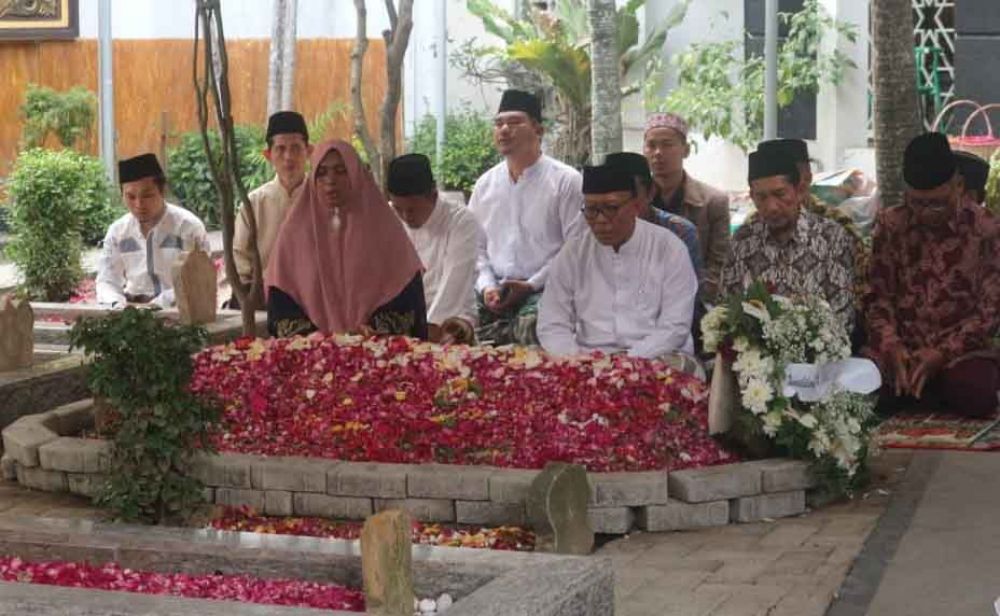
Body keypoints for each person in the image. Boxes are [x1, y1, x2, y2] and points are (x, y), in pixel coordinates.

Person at [864, 133, 999, 418]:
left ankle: (920, 392)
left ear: (958, 186)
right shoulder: (891, 226)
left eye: (937, 203)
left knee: (976, 391)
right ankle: (916, 388)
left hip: (959, 354)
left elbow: (989, 313)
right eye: (917, 203)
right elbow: (878, 299)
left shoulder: (986, 229)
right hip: (901, 351)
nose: (927, 213)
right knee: (861, 384)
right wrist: (892, 346)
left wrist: (942, 353)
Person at [537, 163, 699, 370]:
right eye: (591, 210)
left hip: (658, 355)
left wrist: (626, 362)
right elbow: (552, 322)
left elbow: (675, 327)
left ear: (636, 207)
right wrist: (574, 357)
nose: (601, 220)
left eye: (611, 208)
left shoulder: (669, 248)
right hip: (588, 358)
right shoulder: (573, 252)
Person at [264, 140, 428, 339]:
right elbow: (281, 298)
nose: (330, 180)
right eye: (322, 172)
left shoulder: (384, 228)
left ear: (356, 174)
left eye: (341, 171)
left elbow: (405, 290)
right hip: (311, 351)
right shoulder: (293, 233)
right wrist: (316, 338)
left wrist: (369, 333)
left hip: (377, 350)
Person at [469, 89, 584, 346]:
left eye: (514, 122)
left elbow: (576, 248)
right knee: (457, 321)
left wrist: (531, 285)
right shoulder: (485, 185)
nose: (504, 130)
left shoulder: (566, 181)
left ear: (538, 130)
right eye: (499, 123)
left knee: (534, 325)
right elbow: (475, 248)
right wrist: (487, 286)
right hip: (495, 288)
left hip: (546, 287)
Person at [722, 149, 856, 331]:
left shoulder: (832, 238)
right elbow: (726, 309)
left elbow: (842, 316)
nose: (772, 207)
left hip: (817, 346)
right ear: (752, 197)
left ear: (799, 191)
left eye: (780, 194)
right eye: (761, 197)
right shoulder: (742, 241)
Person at [387, 153, 481, 344]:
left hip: (450, 321)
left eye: (412, 209)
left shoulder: (460, 221)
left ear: (433, 195)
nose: (405, 216)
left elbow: (453, 286)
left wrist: (424, 335)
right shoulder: (387, 217)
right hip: (400, 323)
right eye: (398, 208)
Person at [96, 153, 210, 308]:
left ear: (162, 191)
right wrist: (116, 304)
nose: (139, 204)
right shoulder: (118, 232)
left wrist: (158, 304)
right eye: (130, 197)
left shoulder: (188, 227)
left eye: (147, 195)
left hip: (178, 309)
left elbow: (198, 278)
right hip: (131, 308)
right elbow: (106, 280)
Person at [643, 112, 730, 302]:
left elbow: (718, 265)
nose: (658, 153)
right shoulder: (635, 202)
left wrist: (690, 299)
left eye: (667, 144)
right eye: (651, 145)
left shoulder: (713, 202)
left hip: (695, 300)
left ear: (686, 150)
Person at [231, 111, 313, 308]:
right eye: (280, 149)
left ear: (309, 151)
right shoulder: (253, 204)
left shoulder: (322, 199)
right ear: (268, 155)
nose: (288, 157)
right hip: (264, 301)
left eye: (296, 148)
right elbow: (239, 260)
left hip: (315, 300)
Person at [603, 152, 703, 279]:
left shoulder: (679, 232)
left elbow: (689, 287)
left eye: (630, 196)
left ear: (650, 192)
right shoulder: (591, 232)